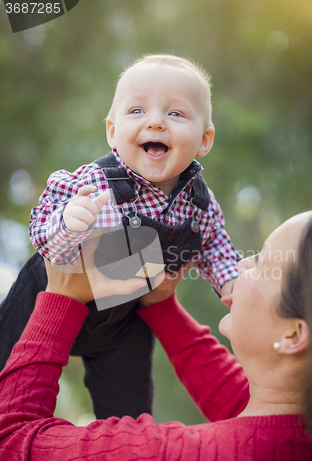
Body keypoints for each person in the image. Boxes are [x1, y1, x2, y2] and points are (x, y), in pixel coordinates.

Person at [0, 195, 312, 461]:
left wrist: (62, 297)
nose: (241, 265)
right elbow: (237, 401)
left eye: (260, 263)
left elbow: (10, 440)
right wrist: (161, 306)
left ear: (293, 335)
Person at [0, 54, 240, 419]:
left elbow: (215, 245)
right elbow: (46, 245)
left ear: (204, 140)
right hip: (46, 300)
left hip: (124, 319)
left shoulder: (199, 205)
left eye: (175, 114)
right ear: (112, 131)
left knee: (129, 415)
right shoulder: (91, 183)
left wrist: (230, 280)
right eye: (137, 111)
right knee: (7, 368)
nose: (156, 122)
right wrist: (69, 222)